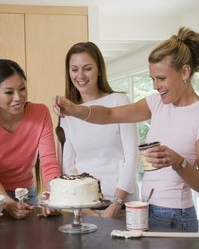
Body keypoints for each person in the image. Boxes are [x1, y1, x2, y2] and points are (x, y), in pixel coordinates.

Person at [53, 27, 199, 232]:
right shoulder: (157, 103)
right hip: (145, 209)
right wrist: (75, 110)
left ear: (185, 72)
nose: (156, 86)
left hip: (176, 216)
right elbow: (109, 114)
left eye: (161, 78)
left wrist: (178, 162)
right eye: (152, 79)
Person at [0, 59, 61, 219]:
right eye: (9, 92)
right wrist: (8, 203)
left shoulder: (40, 113)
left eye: (22, 89)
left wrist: (55, 197)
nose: (18, 97)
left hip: (26, 194)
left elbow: (48, 163)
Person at [58, 42, 140, 219]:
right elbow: (68, 166)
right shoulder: (68, 113)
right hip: (84, 206)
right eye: (74, 69)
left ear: (99, 69)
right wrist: (84, 209)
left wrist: (116, 206)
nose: (80, 75)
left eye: (87, 68)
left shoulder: (119, 101)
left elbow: (132, 156)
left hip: (122, 205)